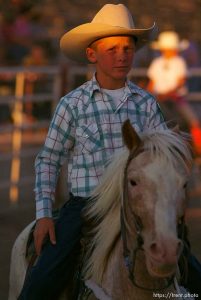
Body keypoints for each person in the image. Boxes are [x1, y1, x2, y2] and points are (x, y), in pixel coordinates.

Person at [17, 4, 166, 299]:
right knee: (43, 280)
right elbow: (49, 160)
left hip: (135, 206)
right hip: (87, 206)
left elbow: (161, 160)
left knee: (187, 270)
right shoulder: (72, 105)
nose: (121, 55)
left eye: (127, 47)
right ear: (92, 54)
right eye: (111, 49)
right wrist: (45, 215)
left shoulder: (146, 104)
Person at [147, 31, 201, 155]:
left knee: (193, 121)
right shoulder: (158, 63)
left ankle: (198, 148)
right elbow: (152, 83)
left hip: (175, 98)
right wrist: (149, 95)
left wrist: (165, 94)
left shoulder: (178, 62)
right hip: (160, 97)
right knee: (192, 120)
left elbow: (180, 83)